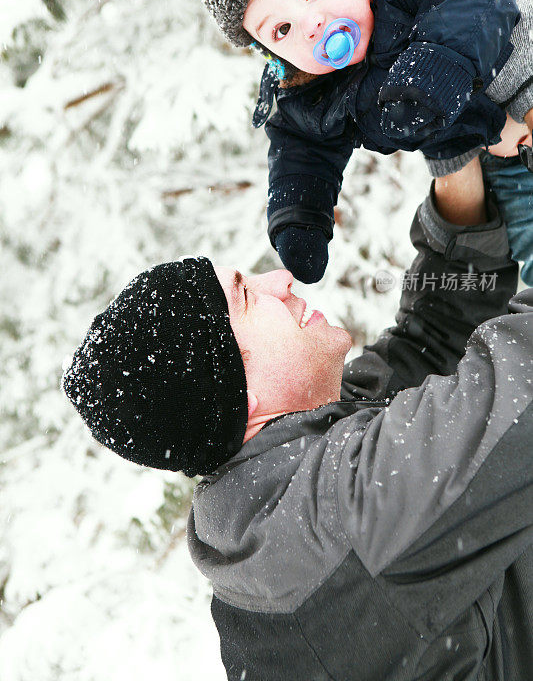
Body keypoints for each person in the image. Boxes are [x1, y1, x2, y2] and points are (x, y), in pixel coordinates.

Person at [63, 156, 533, 680]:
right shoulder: (337, 518)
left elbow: (435, 336)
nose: (280, 279)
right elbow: (523, 389)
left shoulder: (278, 489)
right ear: (237, 396)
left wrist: (457, 160)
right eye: (245, 296)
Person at [188, 0, 533, 284]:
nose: (311, 24)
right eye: (282, 29)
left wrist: (436, 65)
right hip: (479, 146)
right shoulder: (311, 85)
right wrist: (299, 215)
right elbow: (303, 147)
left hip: (516, 59)